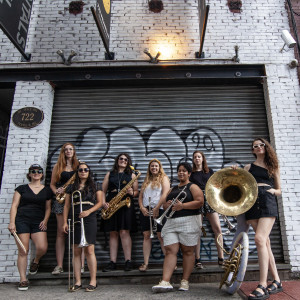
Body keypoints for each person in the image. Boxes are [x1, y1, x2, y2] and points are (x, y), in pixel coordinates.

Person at [152, 162, 204, 293]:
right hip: (171, 222)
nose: (181, 173)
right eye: (179, 171)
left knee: (187, 251)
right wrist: (167, 204)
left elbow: (200, 202)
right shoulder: (172, 188)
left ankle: (185, 281)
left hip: (189, 221)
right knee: (170, 250)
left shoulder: (193, 186)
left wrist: (183, 206)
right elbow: (164, 205)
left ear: (189, 173)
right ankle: (165, 281)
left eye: (184, 171)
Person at [245, 138, 283, 300]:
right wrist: (235, 172)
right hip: (252, 203)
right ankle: (277, 281)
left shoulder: (272, 166)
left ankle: (262, 285)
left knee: (259, 239)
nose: (259, 147)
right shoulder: (248, 167)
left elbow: (279, 189)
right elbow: (241, 184)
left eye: (261, 145)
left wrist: (273, 192)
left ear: (266, 147)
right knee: (265, 243)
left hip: (267, 201)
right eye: (255, 146)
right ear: (253, 150)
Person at [8, 164, 52, 291]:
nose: (36, 173)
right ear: (29, 174)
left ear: (42, 174)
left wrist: (45, 220)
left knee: (42, 247)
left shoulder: (47, 190)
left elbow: (48, 208)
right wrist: (12, 222)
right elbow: (14, 206)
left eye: (39, 171)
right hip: (22, 221)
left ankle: (36, 261)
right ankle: (23, 279)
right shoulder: (21, 188)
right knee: (23, 250)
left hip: (38, 221)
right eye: (33, 171)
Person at [63, 162, 103, 292]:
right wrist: (64, 222)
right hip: (75, 217)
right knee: (76, 251)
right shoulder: (71, 187)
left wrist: (89, 211)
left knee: (89, 250)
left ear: (89, 171)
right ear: (77, 172)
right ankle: (78, 281)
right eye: (80, 170)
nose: (83, 171)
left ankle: (93, 281)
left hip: (89, 217)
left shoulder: (96, 185)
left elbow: (100, 203)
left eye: (86, 169)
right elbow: (67, 205)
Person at [102, 153, 138, 272]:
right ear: (117, 160)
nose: (123, 160)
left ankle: (128, 261)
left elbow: (136, 192)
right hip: (112, 202)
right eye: (121, 159)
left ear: (128, 162)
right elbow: (103, 191)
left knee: (124, 232)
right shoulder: (110, 174)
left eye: (125, 159)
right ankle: (113, 262)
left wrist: (131, 192)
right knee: (113, 233)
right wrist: (103, 203)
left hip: (125, 203)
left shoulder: (132, 175)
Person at [190, 150, 224, 268]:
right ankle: (197, 260)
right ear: (193, 160)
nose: (197, 159)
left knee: (217, 229)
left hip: (210, 201)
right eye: (195, 157)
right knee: (197, 231)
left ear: (203, 158)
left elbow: (217, 186)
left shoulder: (210, 172)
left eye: (199, 157)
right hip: (197, 201)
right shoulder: (191, 174)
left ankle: (221, 258)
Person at [50, 142, 79, 275]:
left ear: (74, 151)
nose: (68, 151)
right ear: (63, 152)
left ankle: (78, 265)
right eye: (66, 149)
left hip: (75, 199)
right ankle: (59, 265)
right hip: (61, 201)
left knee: (77, 232)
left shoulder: (78, 166)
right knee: (61, 232)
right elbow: (51, 184)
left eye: (70, 149)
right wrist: (56, 191)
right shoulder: (58, 166)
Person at [138, 159, 170, 271]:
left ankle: (169, 263)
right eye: (152, 166)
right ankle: (145, 263)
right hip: (146, 210)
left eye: (156, 166)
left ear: (159, 167)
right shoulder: (146, 180)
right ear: (149, 168)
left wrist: (157, 208)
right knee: (146, 235)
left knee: (161, 236)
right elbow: (140, 196)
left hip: (159, 209)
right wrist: (142, 207)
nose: (154, 168)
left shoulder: (164, 178)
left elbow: (165, 194)